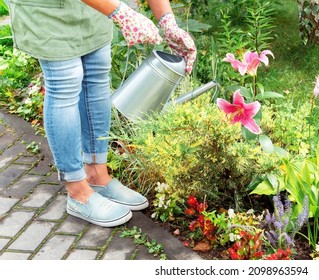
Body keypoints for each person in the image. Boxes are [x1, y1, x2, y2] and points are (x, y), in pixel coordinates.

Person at [7, 0, 196, 227]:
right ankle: (77, 191)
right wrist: (121, 13)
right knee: (65, 81)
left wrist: (167, 22)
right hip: (46, 9)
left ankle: (97, 174)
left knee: (97, 75)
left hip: (93, 6)